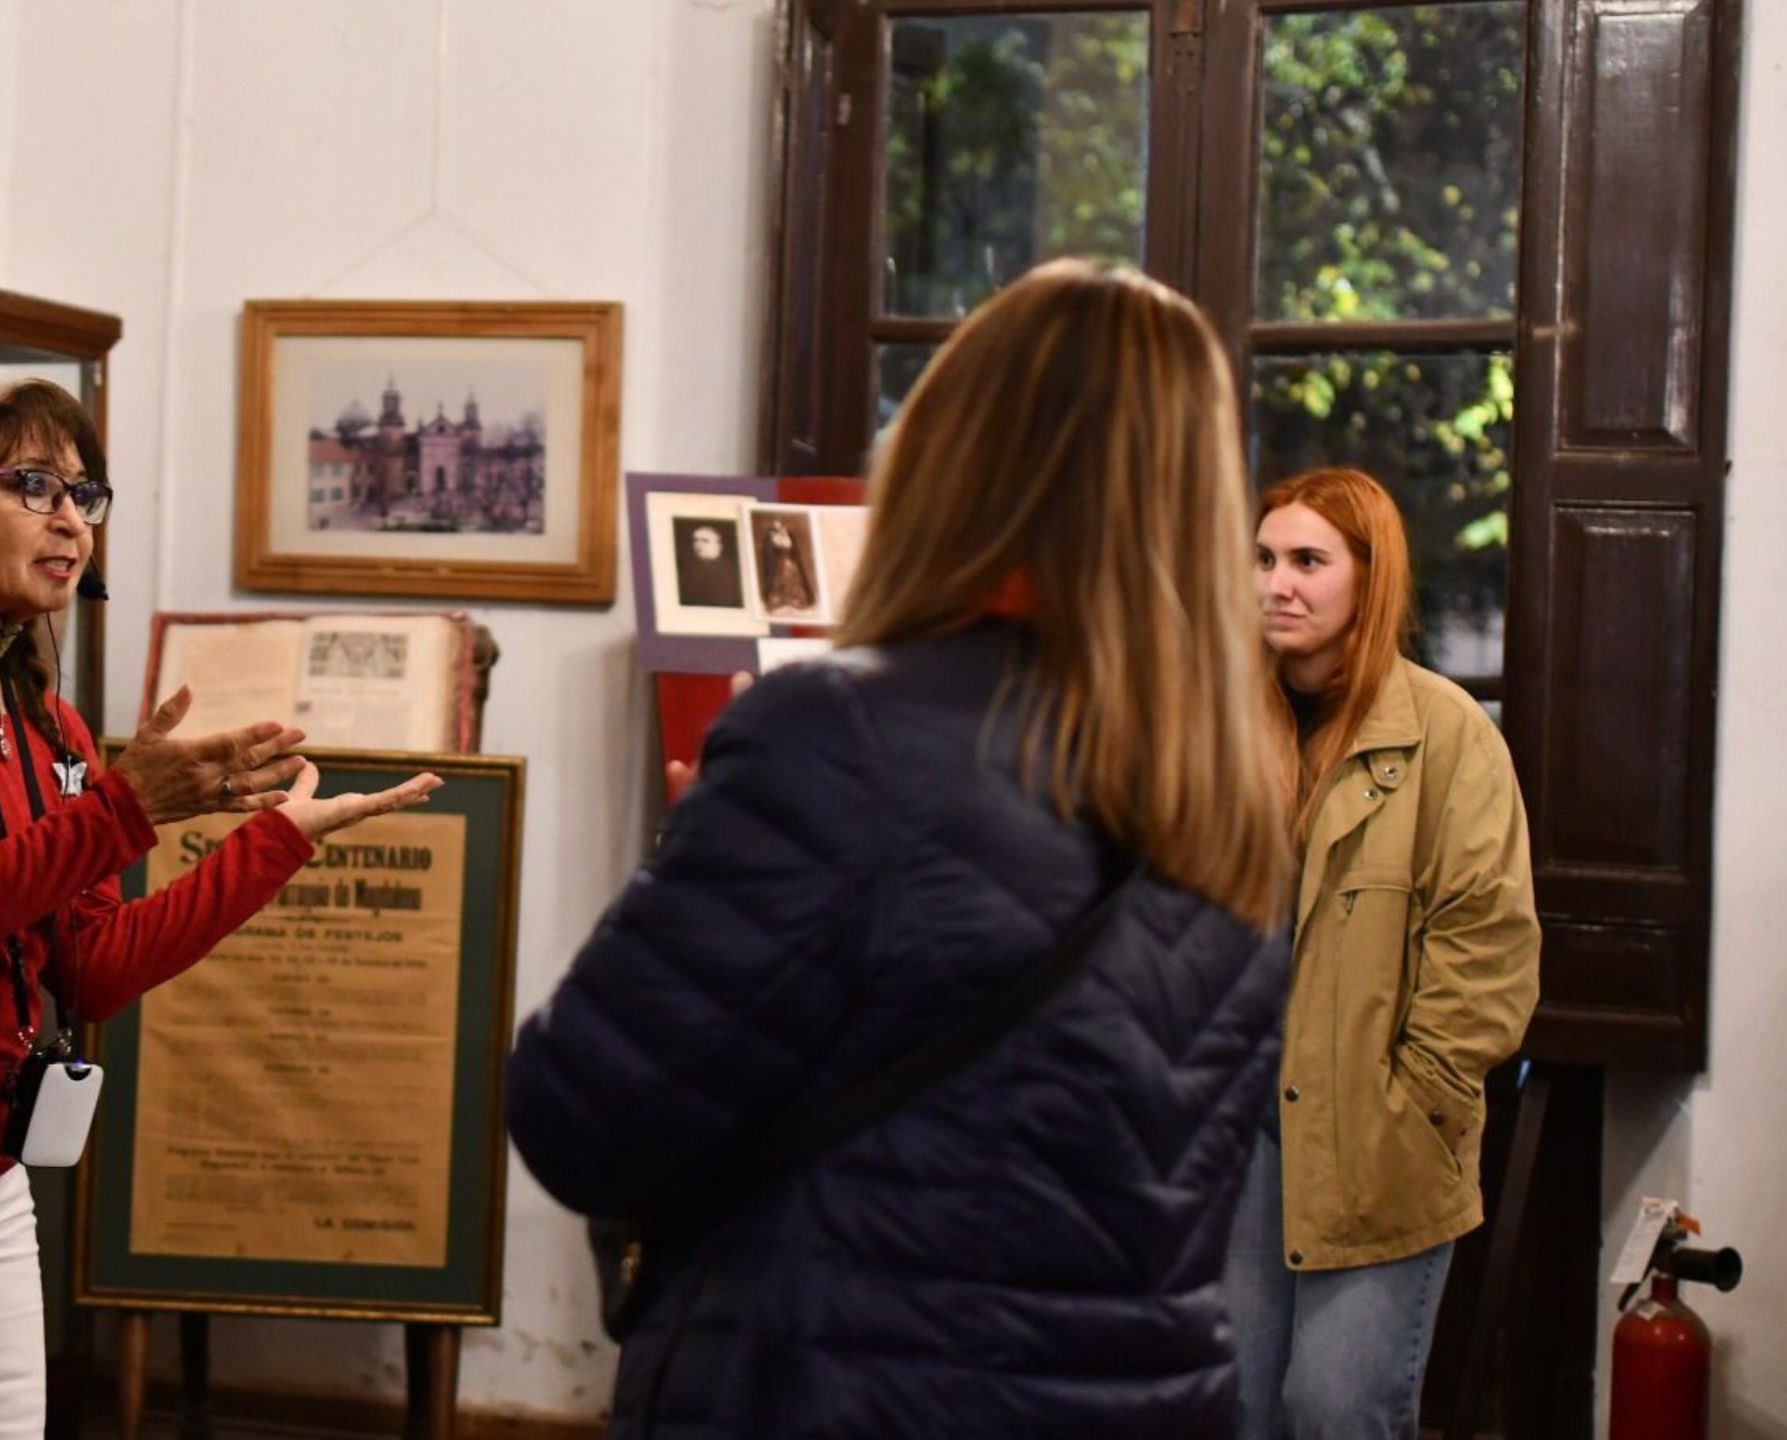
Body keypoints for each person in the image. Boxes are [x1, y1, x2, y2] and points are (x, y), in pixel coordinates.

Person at [506, 259, 1298, 1439]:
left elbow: (584, 1117)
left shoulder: (842, 734)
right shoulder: (1229, 810)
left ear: (949, 461)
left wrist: (696, 863)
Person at [0, 378, 439, 1440]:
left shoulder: (42, 714)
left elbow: (91, 967)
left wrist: (273, 846)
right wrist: (126, 808)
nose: (70, 521)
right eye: (34, 486)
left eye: (83, 494)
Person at [1225, 466, 1540, 1440]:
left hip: (1377, 1138)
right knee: (1228, 1409)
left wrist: (1420, 1100)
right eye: (1264, 558)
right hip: (1235, 1137)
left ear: (1370, 578)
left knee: (1336, 1410)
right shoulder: (1223, 724)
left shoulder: (1444, 733)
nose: (1276, 583)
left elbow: (1487, 947)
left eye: (1308, 562)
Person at [672, 519, 745, 609]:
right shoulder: (685, 570)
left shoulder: (733, 571)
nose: (698, 544)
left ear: (718, 545)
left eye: (705, 541)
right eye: (695, 540)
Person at [755, 515, 816, 614]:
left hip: (789, 561)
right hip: (777, 564)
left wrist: (785, 540)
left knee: (792, 575)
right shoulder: (771, 537)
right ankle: (779, 600)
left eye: (780, 526)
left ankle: (794, 599)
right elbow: (771, 551)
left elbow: (790, 546)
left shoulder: (787, 535)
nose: (779, 528)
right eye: (776, 527)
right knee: (778, 579)